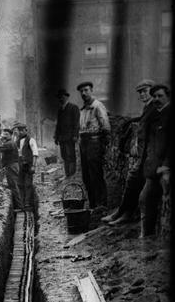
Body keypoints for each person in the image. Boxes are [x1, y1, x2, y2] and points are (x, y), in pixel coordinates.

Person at [102, 79, 157, 225]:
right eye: (140, 92)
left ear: (152, 90)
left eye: (145, 91)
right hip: (143, 153)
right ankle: (123, 212)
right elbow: (144, 120)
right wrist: (131, 120)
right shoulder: (148, 107)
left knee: (133, 179)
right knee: (132, 180)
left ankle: (125, 213)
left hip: (149, 154)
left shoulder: (155, 106)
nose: (143, 94)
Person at [138, 84, 171, 238]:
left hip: (164, 168)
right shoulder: (154, 115)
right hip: (153, 168)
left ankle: (147, 237)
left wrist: (165, 167)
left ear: (167, 96)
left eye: (160, 96)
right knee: (145, 200)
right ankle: (146, 236)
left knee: (147, 198)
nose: (157, 99)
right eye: (155, 96)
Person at [77, 81, 111, 210]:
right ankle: (92, 204)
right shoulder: (84, 109)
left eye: (86, 90)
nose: (84, 93)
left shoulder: (97, 106)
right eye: (81, 91)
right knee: (86, 175)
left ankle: (101, 204)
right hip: (84, 143)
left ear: (91, 90)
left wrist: (103, 147)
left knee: (95, 173)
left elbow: (106, 127)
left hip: (94, 142)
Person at [53, 88, 80, 177]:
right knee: (64, 156)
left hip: (70, 137)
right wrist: (56, 137)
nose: (60, 99)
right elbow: (58, 125)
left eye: (62, 97)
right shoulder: (60, 110)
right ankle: (67, 174)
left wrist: (75, 135)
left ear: (66, 97)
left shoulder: (73, 108)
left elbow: (76, 123)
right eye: (59, 97)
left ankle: (72, 175)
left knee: (70, 155)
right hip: (62, 138)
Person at [15, 123, 38, 211]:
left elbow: (35, 154)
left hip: (28, 165)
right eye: (19, 130)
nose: (20, 132)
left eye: (22, 130)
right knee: (20, 184)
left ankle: (28, 203)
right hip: (20, 165)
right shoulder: (17, 141)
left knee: (28, 184)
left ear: (26, 130)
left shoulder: (31, 140)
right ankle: (21, 204)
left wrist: (34, 166)